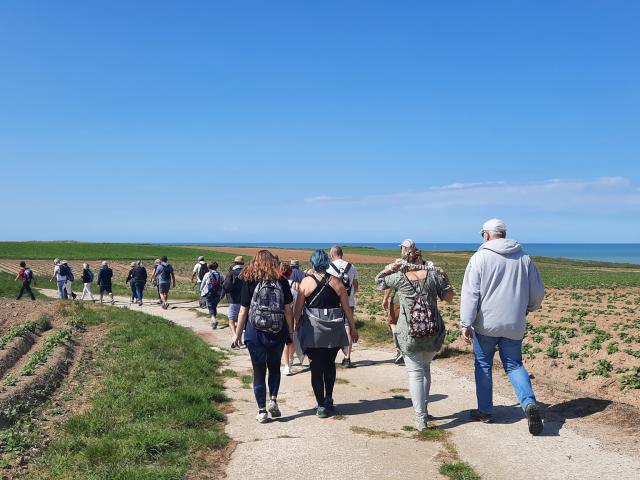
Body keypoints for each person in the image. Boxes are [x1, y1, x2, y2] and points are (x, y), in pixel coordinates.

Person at [460, 218, 545, 435]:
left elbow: (471, 293)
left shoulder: (479, 258)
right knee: (514, 365)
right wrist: (530, 307)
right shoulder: (524, 258)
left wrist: (465, 323)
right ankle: (528, 403)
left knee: (483, 365)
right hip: (514, 323)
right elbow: (537, 291)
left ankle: (485, 411)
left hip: (486, 324)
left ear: (487, 235)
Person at [375, 242, 454, 431]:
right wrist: (445, 277)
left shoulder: (400, 278)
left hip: (409, 333)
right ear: (421, 259)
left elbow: (378, 281)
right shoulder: (434, 275)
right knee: (426, 369)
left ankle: (420, 419)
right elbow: (449, 296)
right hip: (432, 332)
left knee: (415, 373)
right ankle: (424, 411)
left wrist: (391, 267)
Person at [232, 250, 294, 423]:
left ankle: (261, 411)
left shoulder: (249, 280)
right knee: (274, 367)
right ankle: (273, 399)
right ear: (273, 263)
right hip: (277, 330)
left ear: (255, 262)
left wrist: (237, 335)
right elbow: (288, 310)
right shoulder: (282, 281)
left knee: (259, 371)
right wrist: (290, 332)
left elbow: (243, 310)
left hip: (255, 332)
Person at [294, 250, 358, 418]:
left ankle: (321, 405)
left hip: (313, 331)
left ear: (313, 263)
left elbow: (298, 311)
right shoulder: (337, 282)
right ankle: (329, 397)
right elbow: (346, 308)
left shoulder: (306, 282)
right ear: (327, 262)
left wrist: (294, 327)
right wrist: (353, 327)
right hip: (334, 330)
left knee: (316, 367)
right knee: (329, 364)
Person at [327, 246, 359, 368]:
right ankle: (347, 358)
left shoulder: (329, 268)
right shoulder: (352, 267)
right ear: (342, 254)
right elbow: (356, 286)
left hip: (333, 304)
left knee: (330, 328)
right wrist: (350, 296)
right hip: (349, 303)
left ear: (331, 255)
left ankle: (330, 357)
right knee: (348, 329)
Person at [223, 256, 245, 340]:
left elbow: (226, 287)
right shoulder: (247, 273)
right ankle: (239, 336)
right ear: (243, 263)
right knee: (241, 320)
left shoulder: (231, 273)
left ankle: (235, 335)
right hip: (245, 302)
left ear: (235, 263)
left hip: (234, 300)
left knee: (231, 320)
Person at [200, 262, 224, 329]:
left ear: (209, 267)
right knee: (214, 306)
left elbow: (203, 283)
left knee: (210, 306)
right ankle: (213, 320)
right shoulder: (220, 275)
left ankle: (213, 320)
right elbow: (223, 283)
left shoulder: (207, 274)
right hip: (218, 293)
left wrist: (201, 290)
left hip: (209, 292)